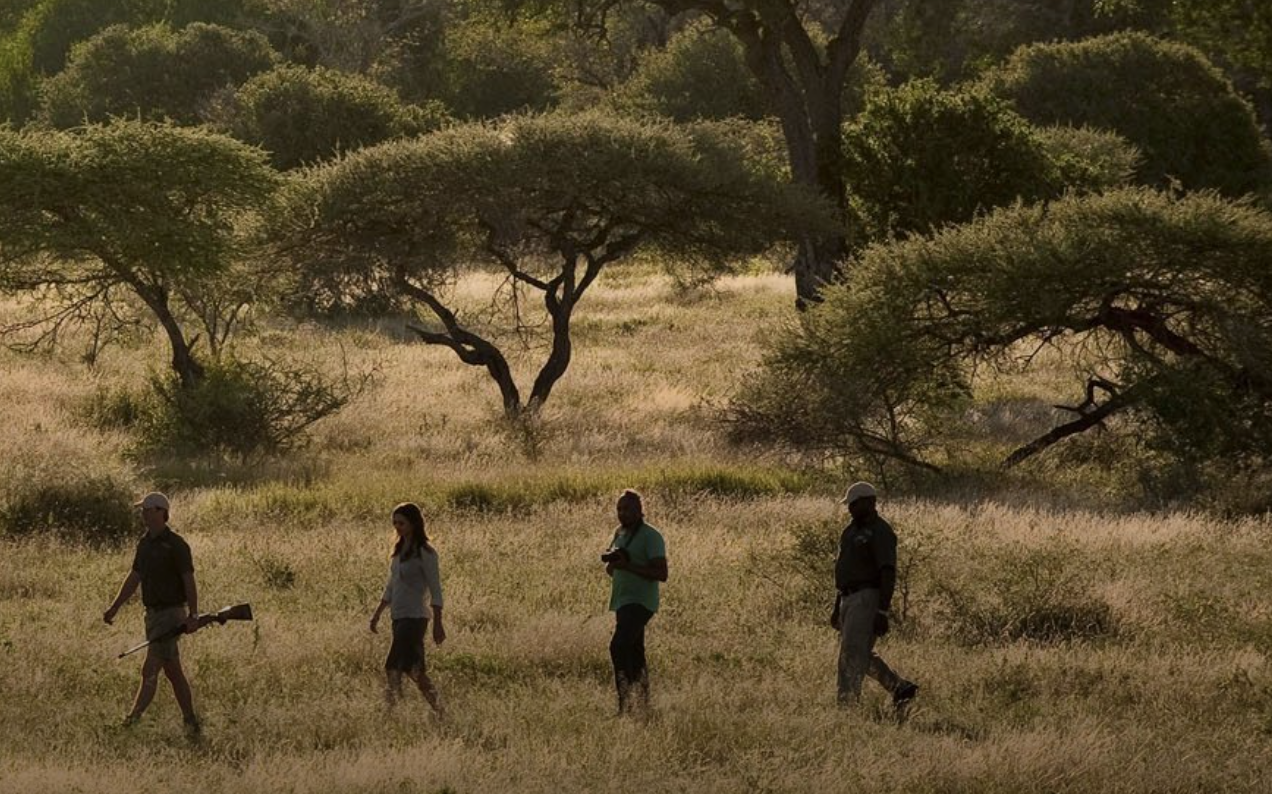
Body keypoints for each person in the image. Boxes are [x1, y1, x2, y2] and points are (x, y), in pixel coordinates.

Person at [103, 491, 202, 734]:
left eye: (147, 509)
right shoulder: (144, 543)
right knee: (173, 672)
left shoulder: (177, 545)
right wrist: (115, 606)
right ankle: (191, 721)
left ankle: (130, 722)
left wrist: (194, 615)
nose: (143, 513)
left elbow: (188, 580)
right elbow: (134, 577)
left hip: (170, 615)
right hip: (153, 615)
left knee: (149, 669)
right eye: (143, 509)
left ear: (161, 512)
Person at [830, 481, 919, 712]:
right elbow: (844, 569)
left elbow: (887, 571)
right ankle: (899, 687)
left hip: (867, 597)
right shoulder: (849, 531)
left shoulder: (881, 532)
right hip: (848, 598)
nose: (850, 509)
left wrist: (881, 610)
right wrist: (837, 605)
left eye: (854, 504)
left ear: (870, 502)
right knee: (858, 653)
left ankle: (847, 707)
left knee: (851, 655)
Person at [369, 502, 446, 716]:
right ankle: (440, 710)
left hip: (414, 618)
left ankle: (390, 712)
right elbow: (391, 586)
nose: (397, 527)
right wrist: (377, 614)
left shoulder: (426, 553)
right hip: (398, 616)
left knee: (392, 665)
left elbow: (436, 589)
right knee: (415, 671)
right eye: (394, 523)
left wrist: (438, 624)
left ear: (413, 523)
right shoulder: (398, 552)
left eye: (401, 523)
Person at [602, 489, 668, 715]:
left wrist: (627, 566)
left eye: (628, 509)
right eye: (619, 509)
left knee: (618, 646)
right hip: (622, 599)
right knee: (634, 651)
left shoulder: (651, 536)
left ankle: (626, 705)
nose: (622, 513)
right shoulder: (620, 533)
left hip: (640, 601)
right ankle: (642, 704)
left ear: (640, 511)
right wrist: (613, 564)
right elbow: (614, 569)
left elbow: (661, 573)